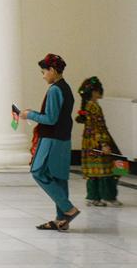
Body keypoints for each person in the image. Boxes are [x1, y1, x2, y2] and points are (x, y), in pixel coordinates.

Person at [22, 53, 79, 231]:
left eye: (44, 71)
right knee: (59, 177)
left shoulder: (54, 89)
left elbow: (50, 118)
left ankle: (68, 209)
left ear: (52, 70)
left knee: (38, 171)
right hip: (63, 138)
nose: (43, 75)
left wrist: (28, 115)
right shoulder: (66, 88)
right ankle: (61, 220)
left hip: (51, 139)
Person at [76, 76, 123, 207]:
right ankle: (108, 196)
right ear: (95, 92)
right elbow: (99, 127)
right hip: (98, 143)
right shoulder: (95, 107)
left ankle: (93, 197)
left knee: (94, 171)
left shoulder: (87, 106)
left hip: (89, 143)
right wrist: (104, 144)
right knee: (110, 168)